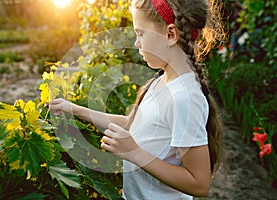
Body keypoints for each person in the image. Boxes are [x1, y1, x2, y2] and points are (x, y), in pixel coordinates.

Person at [50, 0, 224, 199]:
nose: (136, 43)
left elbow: (199, 183)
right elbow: (131, 124)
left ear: (170, 35)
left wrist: (134, 153)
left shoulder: (185, 98)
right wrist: (75, 109)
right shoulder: (162, 80)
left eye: (140, 33)